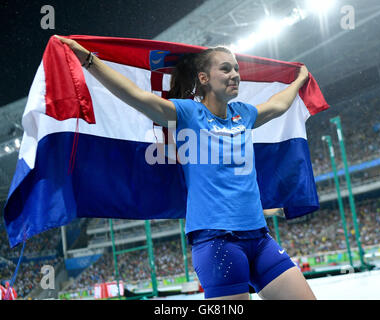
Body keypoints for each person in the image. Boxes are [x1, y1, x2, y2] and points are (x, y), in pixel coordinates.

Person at [55, 35, 316, 300]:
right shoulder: (190, 114)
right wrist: (88, 60)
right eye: (225, 68)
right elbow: (136, 97)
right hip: (217, 243)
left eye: (236, 68)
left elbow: (278, 105)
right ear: (204, 78)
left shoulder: (243, 114)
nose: (235, 74)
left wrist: (298, 80)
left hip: (259, 239)